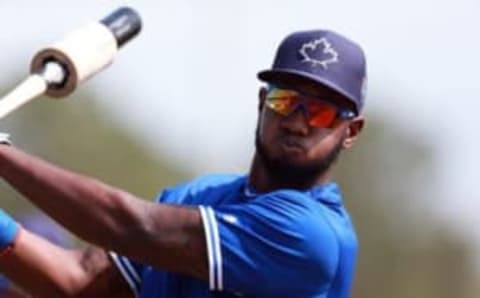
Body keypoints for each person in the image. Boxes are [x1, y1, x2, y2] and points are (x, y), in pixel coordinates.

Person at [0, 29, 367, 298]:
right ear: (262, 102)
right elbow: (82, 280)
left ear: (350, 131)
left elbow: (132, 226)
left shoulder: (312, 235)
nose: (297, 122)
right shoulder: (200, 195)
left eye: (321, 111)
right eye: (285, 100)